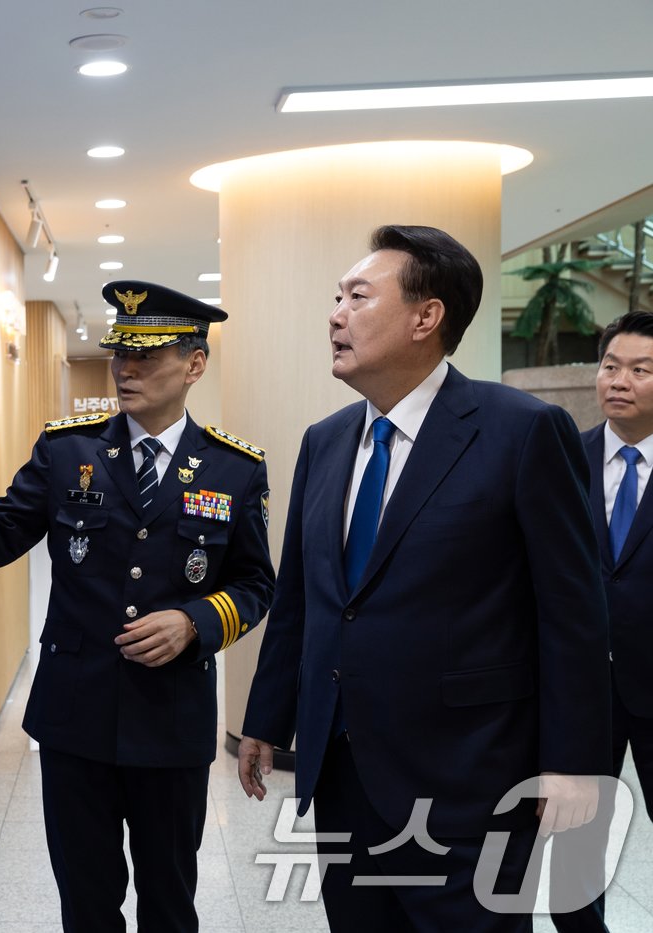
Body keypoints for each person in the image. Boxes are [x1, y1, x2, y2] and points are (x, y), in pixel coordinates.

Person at [0, 280, 275, 932]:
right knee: (86, 905)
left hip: (171, 723)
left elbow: (255, 583)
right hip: (76, 720)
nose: (126, 369)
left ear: (194, 363)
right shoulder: (68, 448)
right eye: (120, 353)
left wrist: (195, 621)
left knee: (170, 902)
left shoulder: (236, 468)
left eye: (146, 356)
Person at [237, 225, 609, 932]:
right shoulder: (326, 440)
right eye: (335, 297)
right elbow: (302, 602)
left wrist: (572, 764)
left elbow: (572, 612)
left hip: (471, 780)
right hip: (344, 773)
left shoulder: (522, 430)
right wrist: (267, 717)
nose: (335, 314)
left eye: (356, 295)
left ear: (425, 316)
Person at [554, 310, 653, 933]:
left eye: (640, 369)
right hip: (579, 690)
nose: (618, 380)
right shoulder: (564, 458)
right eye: (610, 366)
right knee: (571, 847)